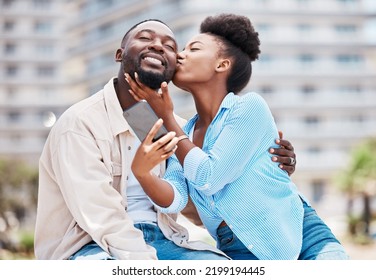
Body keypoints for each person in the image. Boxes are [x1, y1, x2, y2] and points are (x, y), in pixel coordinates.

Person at [34, 18, 297, 260]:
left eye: (170, 46)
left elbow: (200, 201)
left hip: (166, 240)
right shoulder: (80, 123)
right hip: (90, 248)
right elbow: (101, 217)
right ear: (119, 54)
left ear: (172, 68)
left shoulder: (178, 133)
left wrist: (265, 161)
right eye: (145, 38)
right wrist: (147, 264)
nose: (158, 46)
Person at [126, 14, 349, 260]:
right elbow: (175, 198)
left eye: (193, 49)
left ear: (221, 65)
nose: (178, 55)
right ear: (120, 53)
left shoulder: (248, 107)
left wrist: (166, 117)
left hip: (299, 233)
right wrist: (143, 174)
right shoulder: (182, 131)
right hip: (238, 247)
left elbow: (208, 178)